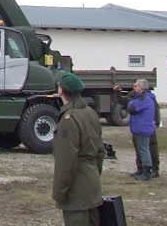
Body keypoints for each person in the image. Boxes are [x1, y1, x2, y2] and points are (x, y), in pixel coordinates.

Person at [52, 72, 104, 226]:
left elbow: (66, 161)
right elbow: (100, 151)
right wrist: (94, 174)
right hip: (92, 184)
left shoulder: (69, 119)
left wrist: (59, 192)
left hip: (76, 188)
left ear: (61, 90)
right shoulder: (90, 113)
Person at [114, 79, 156, 181]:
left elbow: (131, 108)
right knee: (140, 150)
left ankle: (147, 172)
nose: (134, 88)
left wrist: (132, 101)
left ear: (141, 88)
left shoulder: (145, 99)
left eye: (136, 86)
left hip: (143, 128)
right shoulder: (139, 98)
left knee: (144, 150)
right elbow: (126, 102)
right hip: (138, 128)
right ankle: (141, 169)